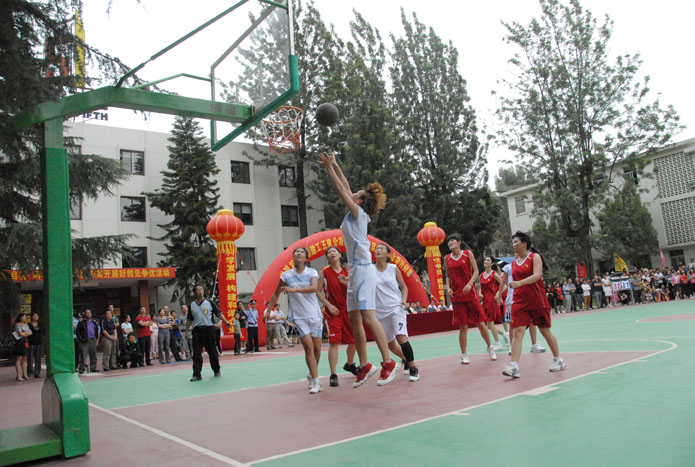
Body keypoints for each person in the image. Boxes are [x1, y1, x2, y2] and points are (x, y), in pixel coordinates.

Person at [319, 151, 398, 387]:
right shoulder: (356, 212)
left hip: (364, 269)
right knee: (354, 320)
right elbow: (346, 186)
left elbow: (342, 190)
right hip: (354, 270)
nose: (352, 193)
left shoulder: (358, 213)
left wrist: (328, 169)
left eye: (357, 194)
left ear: (360, 201)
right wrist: (336, 164)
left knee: (368, 317)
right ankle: (364, 365)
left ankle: (388, 362)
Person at [503, 232, 565, 378]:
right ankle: (514, 366)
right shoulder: (513, 263)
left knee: (545, 331)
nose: (513, 245)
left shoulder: (534, 257)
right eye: (513, 242)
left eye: (516, 242)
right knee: (517, 332)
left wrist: (519, 283)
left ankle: (558, 359)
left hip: (537, 301)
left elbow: (537, 276)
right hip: (520, 302)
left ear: (524, 243)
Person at [266, 247, 325, 394]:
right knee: (309, 348)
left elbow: (314, 288)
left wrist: (294, 290)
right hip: (298, 317)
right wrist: (268, 311)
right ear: (293, 257)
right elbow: (276, 293)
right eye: (296, 252)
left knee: (317, 349)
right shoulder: (286, 275)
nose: (298, 253)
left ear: (306, 258)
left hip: (314, 315)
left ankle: (311, 373)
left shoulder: (312, 272)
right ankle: (316, 382)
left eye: (301, 252)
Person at [443, 233, 496, 364]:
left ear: (459, 242)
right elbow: (448, 275)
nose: (450, 243)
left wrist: (469, 284)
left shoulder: (467, 254)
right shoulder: (447, 258)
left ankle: (490, 347)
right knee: (463, 326)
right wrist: (448, 288)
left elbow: (476, 271)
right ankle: (464, 354)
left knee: (481, 323)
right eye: (449, 242)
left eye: (453, 240)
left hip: (470, 294)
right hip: (457, 297)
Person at [374, 243, 420, 382]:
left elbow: (404, 287)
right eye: (376, 249)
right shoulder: (370, 270)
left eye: (381, 249)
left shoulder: (393, 268)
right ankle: (405, 359)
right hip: (380, 311)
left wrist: (404, 300)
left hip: (396, 307)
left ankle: (413, 367)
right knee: (390, 343)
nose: (378, 250)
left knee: (401, 337)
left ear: (388, 254)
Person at [316, 246, 358, 387]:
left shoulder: (348, 272)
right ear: (327, 257)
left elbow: (354, 290)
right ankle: (333, 374)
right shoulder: (324, 272)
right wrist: (328, 305)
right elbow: (317, 291)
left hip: (348, 310)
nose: (332, 253)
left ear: (340, 255)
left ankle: (350, 364)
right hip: (333, 312)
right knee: (334, 342)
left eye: (334, 251)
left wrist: (346, 283)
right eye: (329, 252)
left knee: (355, 340)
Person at [186, 284, 232, 381]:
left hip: (209, 329)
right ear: (194, 292)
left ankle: (216, 370)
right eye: (198, 290)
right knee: (196, 354)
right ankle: (197, 374)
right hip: (197, 331)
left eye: (201, 289)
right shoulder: (192, 305)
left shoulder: (210, 302)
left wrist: (226, 322)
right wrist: (186, 331)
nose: (200, 291)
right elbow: (189, 319)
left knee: (212, 352)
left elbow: (219, 313)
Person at [480, 257, 505, 350]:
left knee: (490, 324)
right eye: (485, 260)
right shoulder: (482, 275)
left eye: (488, 260)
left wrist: (498, 294)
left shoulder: (494, 274)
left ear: (492, 264)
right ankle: (504, 334)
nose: (486, 261)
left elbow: (504, 285)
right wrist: (479, 294)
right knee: (488, 325)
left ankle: (498, 344)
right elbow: (481, 288)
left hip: (492, 301)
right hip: (484, 301)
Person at [76, 309, 100, 374]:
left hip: (93, 340)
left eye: (89, 313)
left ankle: (93, 368)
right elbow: (77, 331)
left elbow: (96, 330)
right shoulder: (81, 322)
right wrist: (80, 339)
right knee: (83, 355)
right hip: (84, 341)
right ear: (85, 314)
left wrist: (96, 338)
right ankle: (82, 369)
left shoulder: (94, 322)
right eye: (87, 313)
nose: (88, 314)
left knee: (93, 355)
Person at [13, 313, 32, 381]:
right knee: (19, 358)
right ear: (20, 317)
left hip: (26, 341)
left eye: (25, 317)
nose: (24, 318)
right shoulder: (17, 325)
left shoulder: (26, 325)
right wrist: (25, 333)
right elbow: (20, 334)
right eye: (23, 317)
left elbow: (31, 332)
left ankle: (25, 375)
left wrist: (24, 333)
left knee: (25, 358)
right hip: (20, 342)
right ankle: (18, 376)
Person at [26, 313, 42, 378]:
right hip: (31, 343)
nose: (35, 317)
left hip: (38, 343)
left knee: (38, 358)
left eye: (37, 315)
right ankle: (30, 373)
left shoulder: (40, 324)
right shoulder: (28, 325)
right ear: (31, 317)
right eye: (34, 315)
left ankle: (37, 373)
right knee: (30, 358)